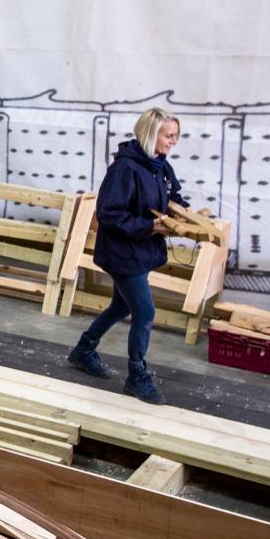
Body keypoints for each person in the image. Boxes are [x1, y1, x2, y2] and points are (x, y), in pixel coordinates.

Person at [67, 107, 187, 405]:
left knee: (122, 306)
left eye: (175, 136)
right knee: (145, 311)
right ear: (151, 133)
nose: (173, 142)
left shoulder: (159, 164)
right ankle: (136, 375)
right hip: (122, 253)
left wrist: (185, 215)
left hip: (141, 251)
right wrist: (150, 226)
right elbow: (108, 214)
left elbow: (173, 196)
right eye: (168, 136)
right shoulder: (125, 169)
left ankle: (83, 350)